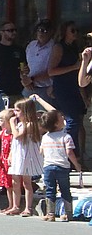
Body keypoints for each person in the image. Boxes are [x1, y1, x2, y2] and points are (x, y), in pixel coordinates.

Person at [46, 20, 86, 158]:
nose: (76, 33)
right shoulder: (59, 47)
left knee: (78, 120)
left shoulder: (74, 47)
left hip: (74, 87)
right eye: (72, 30)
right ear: (65, 32)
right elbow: (51, 71)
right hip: (63, 88)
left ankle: (74, 155)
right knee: (71, 120)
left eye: (77, 31)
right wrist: (74, 67)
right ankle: (61, 152)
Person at [39, 108, 81, 221]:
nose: (63, 118)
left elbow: (41, 152)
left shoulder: (45, 137)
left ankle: (50, 213)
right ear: (57, 123)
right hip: (62, 167)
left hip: (48, 167)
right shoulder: (66, 137)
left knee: (50, 189)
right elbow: (69, 152)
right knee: (65, 189)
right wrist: (76, 165)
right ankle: (68, 213)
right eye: (61, 117)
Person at [7, 97, 44, 218]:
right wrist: (11, 154)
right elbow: (14, 142)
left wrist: (12, 123)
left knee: (26, 182)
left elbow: (17, 136)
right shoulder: (19, 125)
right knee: (15, 181)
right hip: (18, 154)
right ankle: (15, 206)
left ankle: (28, 207)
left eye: (18, 110)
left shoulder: (29, 125)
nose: (15, 113)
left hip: (26, 155)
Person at [22, 18, 56, 100]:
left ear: (51, 32)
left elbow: (53, 71)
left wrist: (32, 79)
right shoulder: (31, 45)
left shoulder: (55, 47)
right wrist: (24, 79)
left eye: (44, 30)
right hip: (29, 88)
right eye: (39, 30)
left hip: (46, 89)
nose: (41, 33)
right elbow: (24, 66)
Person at [0, 107, 15, 213]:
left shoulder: (13, 134)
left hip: (11, 161)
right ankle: (10, 204)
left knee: (13, 184)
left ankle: (14, 205)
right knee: (8, 185)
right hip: (4, 161)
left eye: (2, 120)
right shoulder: (2, 132)